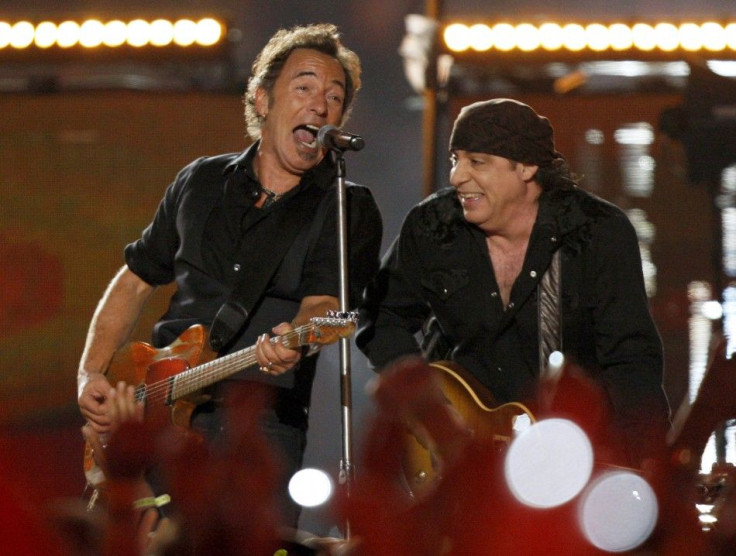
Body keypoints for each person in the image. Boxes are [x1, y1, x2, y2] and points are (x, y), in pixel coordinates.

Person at [77, 22, 382, 530]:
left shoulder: (346, 205)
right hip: (156, 411)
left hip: (261, 422)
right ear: (262, 101)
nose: (321, 105)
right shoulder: (199, 182)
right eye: (304, 87)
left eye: (334, 96)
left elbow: (325, 306)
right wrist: (91, 374)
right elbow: (134, 280)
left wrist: (296, 339)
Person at [356, 98, 670, 469]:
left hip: (571, 453)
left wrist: (648, 459)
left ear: (526, 167)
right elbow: (382, 318)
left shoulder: (596, 233)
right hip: (460, 461)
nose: (457, 176)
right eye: (456, 159)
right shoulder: (433, 227)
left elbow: (630, 359)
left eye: (477, 162)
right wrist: (429, 411)